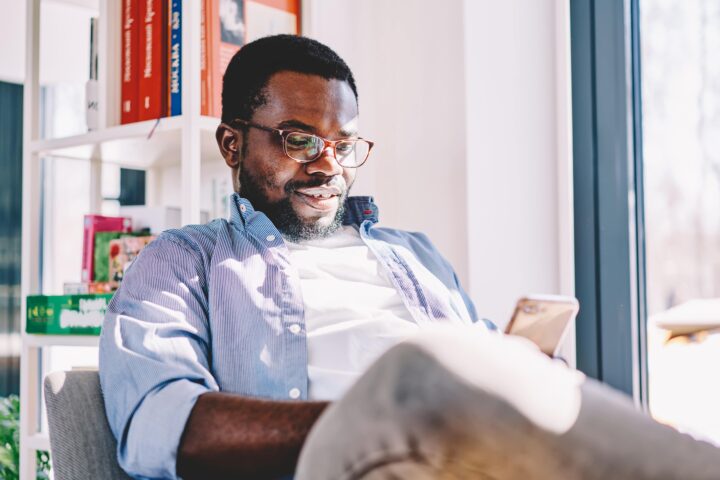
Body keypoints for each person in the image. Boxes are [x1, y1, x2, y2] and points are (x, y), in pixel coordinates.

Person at [99, 35, 720, 480]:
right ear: (233, 144)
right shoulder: (183, 263)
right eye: (299, 140)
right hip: (347, 460)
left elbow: (477, 382)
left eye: (342, 144)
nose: (326, 166)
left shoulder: (413, 254)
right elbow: (158, 425)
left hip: (461, 460)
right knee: (417, 373)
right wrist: (382, 415)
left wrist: (516, 371)